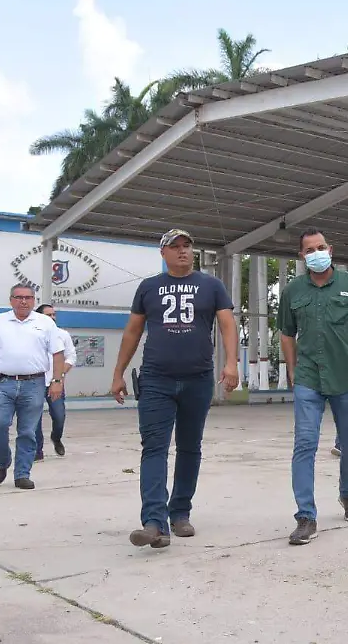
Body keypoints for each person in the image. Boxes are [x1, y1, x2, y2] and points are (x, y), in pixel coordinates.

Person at [109, 228, 239, 550]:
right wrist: (118, 373)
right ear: (163, 253)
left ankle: (180, 512)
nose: (182, 251)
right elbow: (132, 333)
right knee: (154, 447)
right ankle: (154, 523)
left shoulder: (212, 286)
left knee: (189, 447)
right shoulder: (149, 287)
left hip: (198, 378)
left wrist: (232, 363)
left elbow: (226, 324)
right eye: (175, 246)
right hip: (156, 379)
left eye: (187, 246)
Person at [279, 228, 348, 545]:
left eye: (321, 247)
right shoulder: (292, 291)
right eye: (309, 249)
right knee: (305, 443)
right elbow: (287, 333)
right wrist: (291, 368)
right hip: (309, 378)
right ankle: (305, 516)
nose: (316, 253)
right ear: (302, 256)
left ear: (331, 249)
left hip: (347, 378)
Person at [0, 284, 67, 490]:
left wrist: (57, 381)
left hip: (34, 384)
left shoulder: (45, 324)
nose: (23, 301)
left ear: (34, 300)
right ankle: (2, 462)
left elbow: (58, 354)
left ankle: (22, 474)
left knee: (28, 431)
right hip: (3, 384)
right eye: (19, 297)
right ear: (11, 300)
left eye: (28, 298)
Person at [33, 303, 76, 460]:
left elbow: (71, 356)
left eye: (53, 314)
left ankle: (56, 438)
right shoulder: (32, 334)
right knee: (34, 418)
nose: (52, 317)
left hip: (55, 382)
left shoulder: (62, 335)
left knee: (59, 415)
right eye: (48, 315)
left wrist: (60, 373)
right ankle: (37, 450)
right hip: (35, 383)